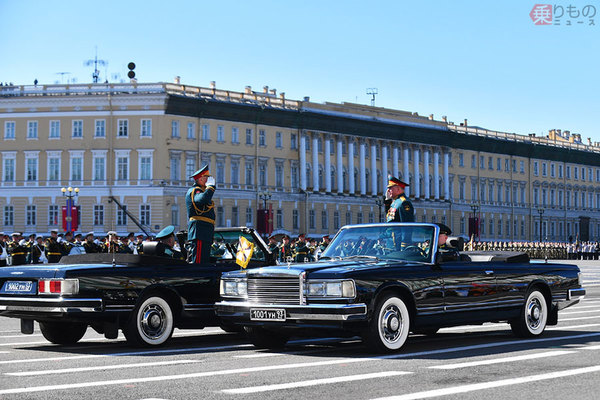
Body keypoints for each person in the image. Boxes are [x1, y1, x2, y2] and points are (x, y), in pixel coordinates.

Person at [186, 165, 216, 264]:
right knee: (198, 262)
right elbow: (201, 200)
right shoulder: (195, 190)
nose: (208, 179)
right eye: (206, 177)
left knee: (204, 260)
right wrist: (210, 188)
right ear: (201, 179)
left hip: (204, 230)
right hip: (199, 230)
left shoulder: (201, 191)